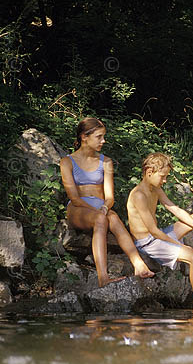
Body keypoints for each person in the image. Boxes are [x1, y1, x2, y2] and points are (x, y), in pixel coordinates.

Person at [60, 117, 154, 287]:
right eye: (99, 137)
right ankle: (103, 277)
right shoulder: (67, 162)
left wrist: (104, 207)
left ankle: (139, 264)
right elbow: (74, 197)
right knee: (101, 219)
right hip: (77, 208)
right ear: (84, 137)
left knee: (114, 219)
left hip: (100, 207)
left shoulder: (106, 162)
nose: (103, 141)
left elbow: (109, 197)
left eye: (103, 136)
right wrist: (98, 212)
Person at [127, 152, 193, 311]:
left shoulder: (155, 188)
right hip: (148, 243)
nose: (165, 180)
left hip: (158, 236)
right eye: (163, 176)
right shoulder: (139, 195)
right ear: (149, 172)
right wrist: (180, 246)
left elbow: (174, 208)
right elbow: (154, 232)